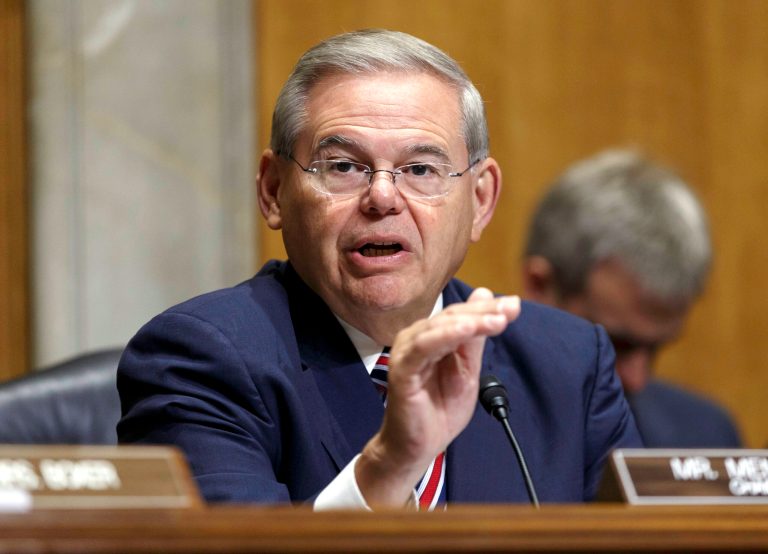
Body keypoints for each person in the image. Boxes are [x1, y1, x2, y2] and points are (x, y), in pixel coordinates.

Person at [117, 30, 641, 509]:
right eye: (343, 166)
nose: (383, 197)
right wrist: (388, 466)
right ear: (274, 190)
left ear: (480, 200)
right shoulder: (200, 359)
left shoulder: (568, 365)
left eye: (420, 169)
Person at [522, 149, 742, 448]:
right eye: (615, 345)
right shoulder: (456, 433)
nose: (636, 380)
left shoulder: (705, 437)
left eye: (655, 349)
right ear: (540, 286)